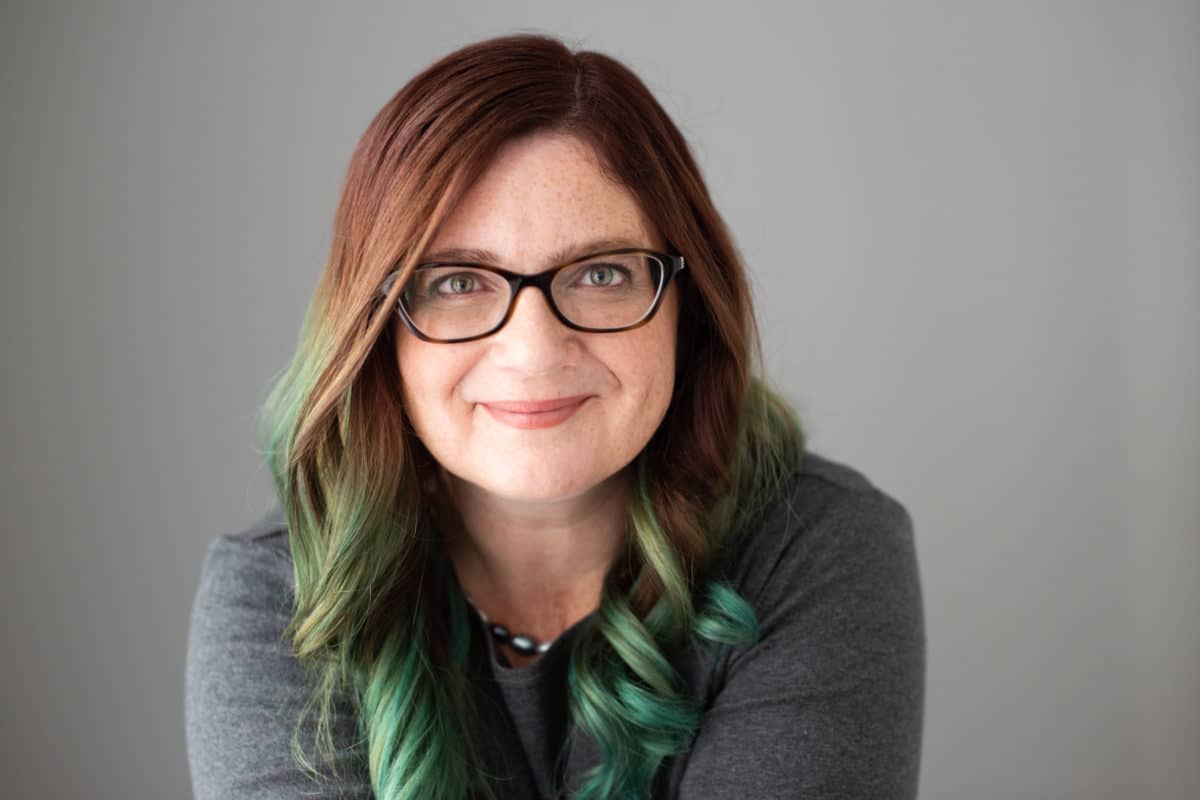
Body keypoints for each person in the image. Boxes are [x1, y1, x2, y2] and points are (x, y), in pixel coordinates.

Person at [184, 33, 925, 800]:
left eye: (601, 273)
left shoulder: (815, 548)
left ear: (688, 307)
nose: (533, 351)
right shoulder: (281, 594)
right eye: (457, 282)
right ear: (378, 334)